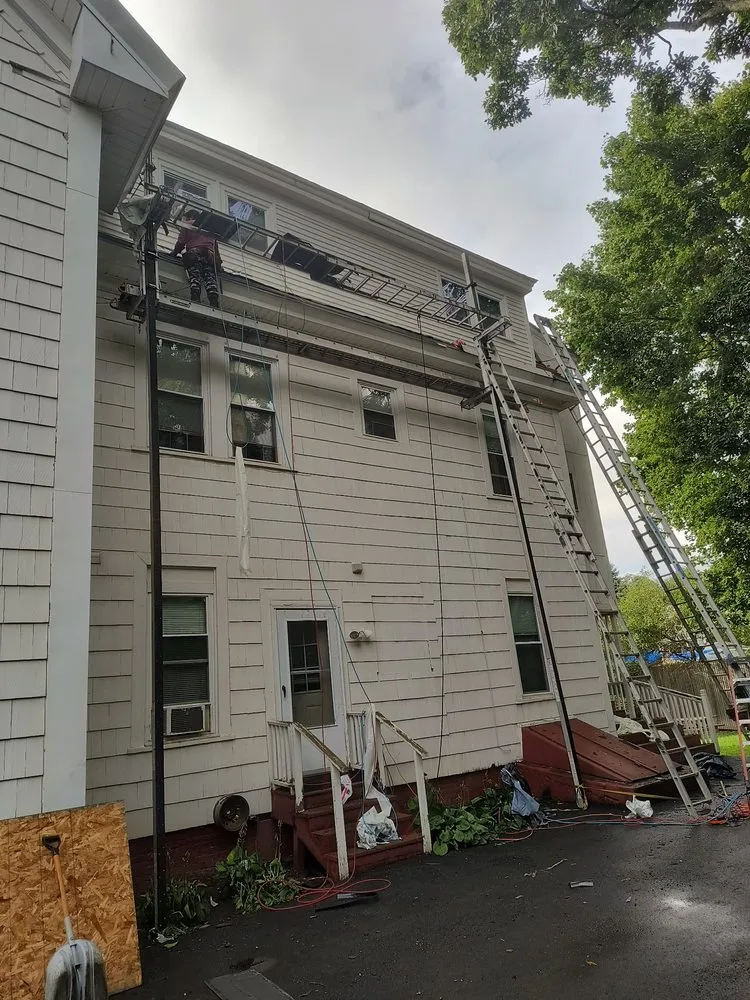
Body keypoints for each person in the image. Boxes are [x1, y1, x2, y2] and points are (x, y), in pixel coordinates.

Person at [172, 210, 222, 307]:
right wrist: (219, 265)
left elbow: (180, 244)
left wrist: (173, 254)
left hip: (195, 253)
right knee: (210, 278)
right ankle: (213, 300)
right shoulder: (210, 228)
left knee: (195, 275)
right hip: (209, 255)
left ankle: (195, 297)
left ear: (189, 217)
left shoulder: (188, 224)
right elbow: (216, 251)